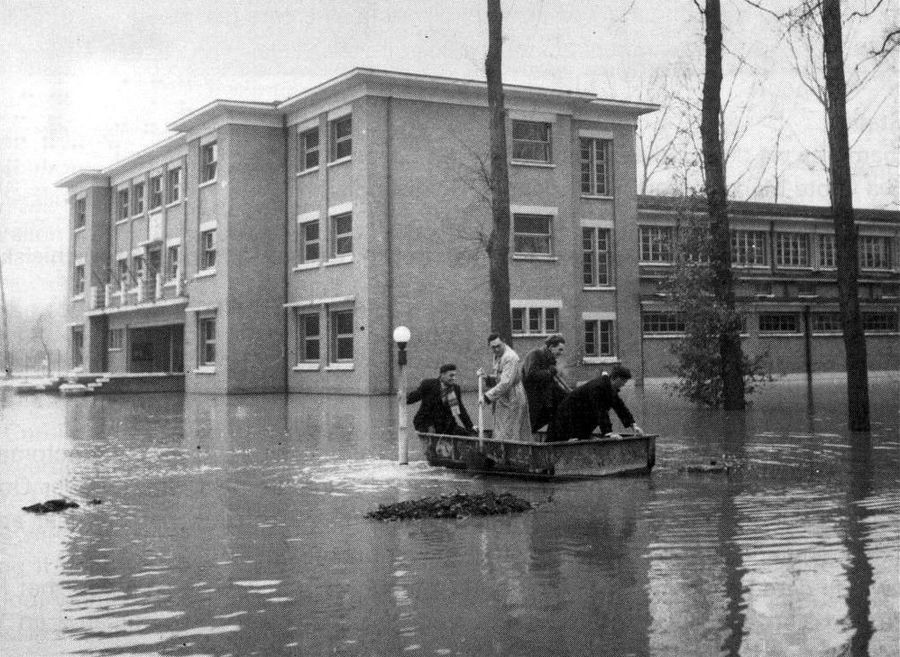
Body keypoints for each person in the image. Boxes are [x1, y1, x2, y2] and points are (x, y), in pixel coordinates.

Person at [549, 365, 644, 442]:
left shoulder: (609, 388)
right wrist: (608, 433)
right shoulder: (598, 387)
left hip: (578, 421)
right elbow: (600, 410)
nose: (624, 384)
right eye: (623, 381)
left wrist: (633, 425)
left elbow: (620, 408)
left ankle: (582, 436)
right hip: (564, 422)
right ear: (616, 378)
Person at [477, 333, 532, 442]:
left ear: (504, 342)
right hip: (503, 396)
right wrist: (486, 377)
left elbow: (506, 383)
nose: (496, 349)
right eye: (493, 347)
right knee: (502, 430)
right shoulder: (498, 356)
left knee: (510, 431)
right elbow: (501, 378)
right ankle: (501, 456)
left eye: (498, 346)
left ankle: (510, 457)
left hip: (513, 397)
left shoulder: (510, 357)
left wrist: (487, 397)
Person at [521, 334, 572, 433]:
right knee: (529, 426)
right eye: (560, 349)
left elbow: (551, 382)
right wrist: (549, 372)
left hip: (546, 400)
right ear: (551, 347)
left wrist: (567, 393)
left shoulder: (550, 360)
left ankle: (552, 441)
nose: (561, 353)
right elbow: (531, 374)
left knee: (557, 414)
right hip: (534, 400)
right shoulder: (535, 354)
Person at [406, 363, 475, 435]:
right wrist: (403, 398)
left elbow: (460, 410)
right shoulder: (428, 385)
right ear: (442, 375)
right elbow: (414, 397)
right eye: (451, 375)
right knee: (433, 438)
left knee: (468, 436)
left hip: (446, 425)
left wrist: (470, 427)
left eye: (454, 375)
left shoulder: (455, 389)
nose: (453, 378)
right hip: (426, 423)